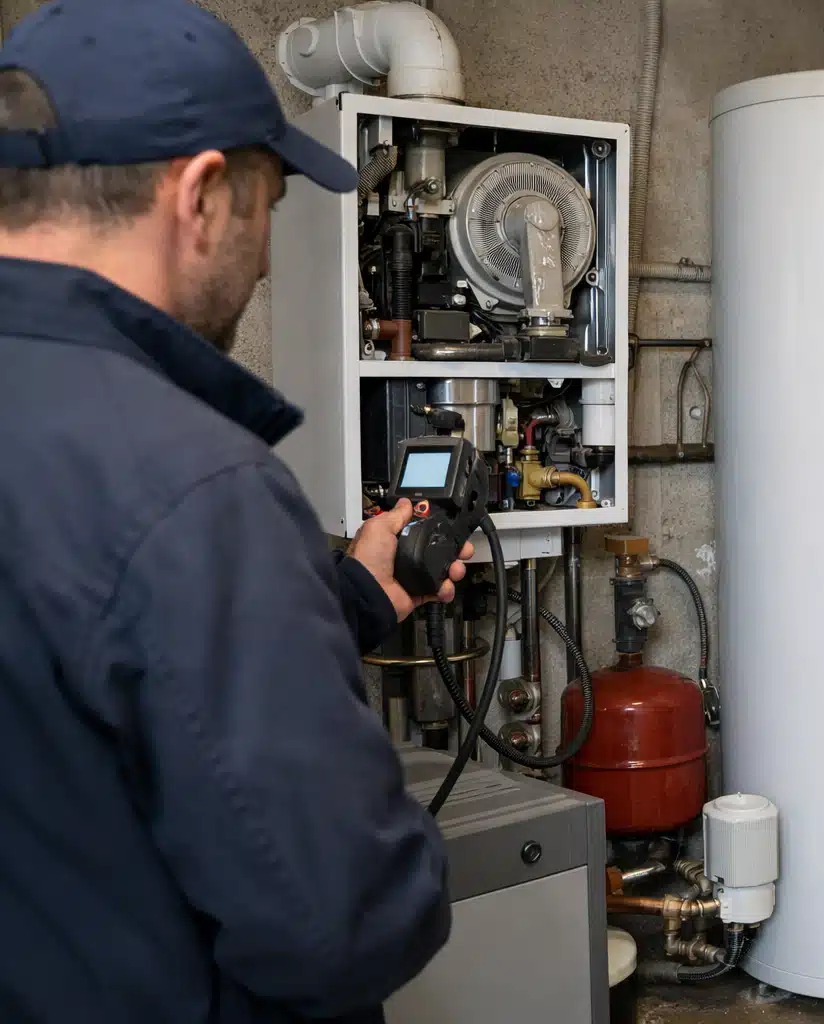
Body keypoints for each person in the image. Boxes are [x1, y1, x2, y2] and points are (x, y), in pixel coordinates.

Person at [0, 1, 465, 1020]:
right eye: (269, 209)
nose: (262, 261)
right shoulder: (194, 483)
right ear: (202, 194)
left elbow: (78, 670)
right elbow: (341, 921)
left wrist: (343, 597)